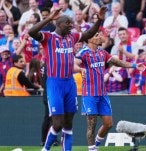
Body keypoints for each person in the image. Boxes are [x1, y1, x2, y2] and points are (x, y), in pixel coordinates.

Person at [28, 5, 107, 151]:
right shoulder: (49, 38)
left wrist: (99, 21)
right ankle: (45, 149)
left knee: (69, 123)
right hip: (55, 83)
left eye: (72, 23)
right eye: (68, 24)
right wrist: (49, 18)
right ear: (58, 25)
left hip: (69, 83)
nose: (71, 26)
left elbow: (89, 34)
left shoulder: (73, 37)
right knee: (57, 124)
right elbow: (31, 32)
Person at [75, 30, 145, 151]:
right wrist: (80, 70)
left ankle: (95, 145)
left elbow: (116, 62)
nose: (99, 37)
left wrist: (134, 65)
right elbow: (74, 64)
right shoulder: (83, 53)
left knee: (108, 124)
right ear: (89, 39)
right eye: (96, 35)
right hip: (89, 94)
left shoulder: (102, 52)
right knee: (92, 124)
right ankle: (92, 149)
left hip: (102, 93)